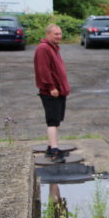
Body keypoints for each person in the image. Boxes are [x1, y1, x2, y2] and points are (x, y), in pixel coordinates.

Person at [34, 24, 70, 163]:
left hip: (59, 90)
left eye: (60, 34)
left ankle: (51, 147)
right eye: (56, 34)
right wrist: (51, 87)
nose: (59, 36)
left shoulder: (53, 47)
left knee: (56, 120)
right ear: (48, 34)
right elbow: (44, 70)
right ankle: (54, 151)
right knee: (52, 121)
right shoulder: (43, 48)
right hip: (51, 92)